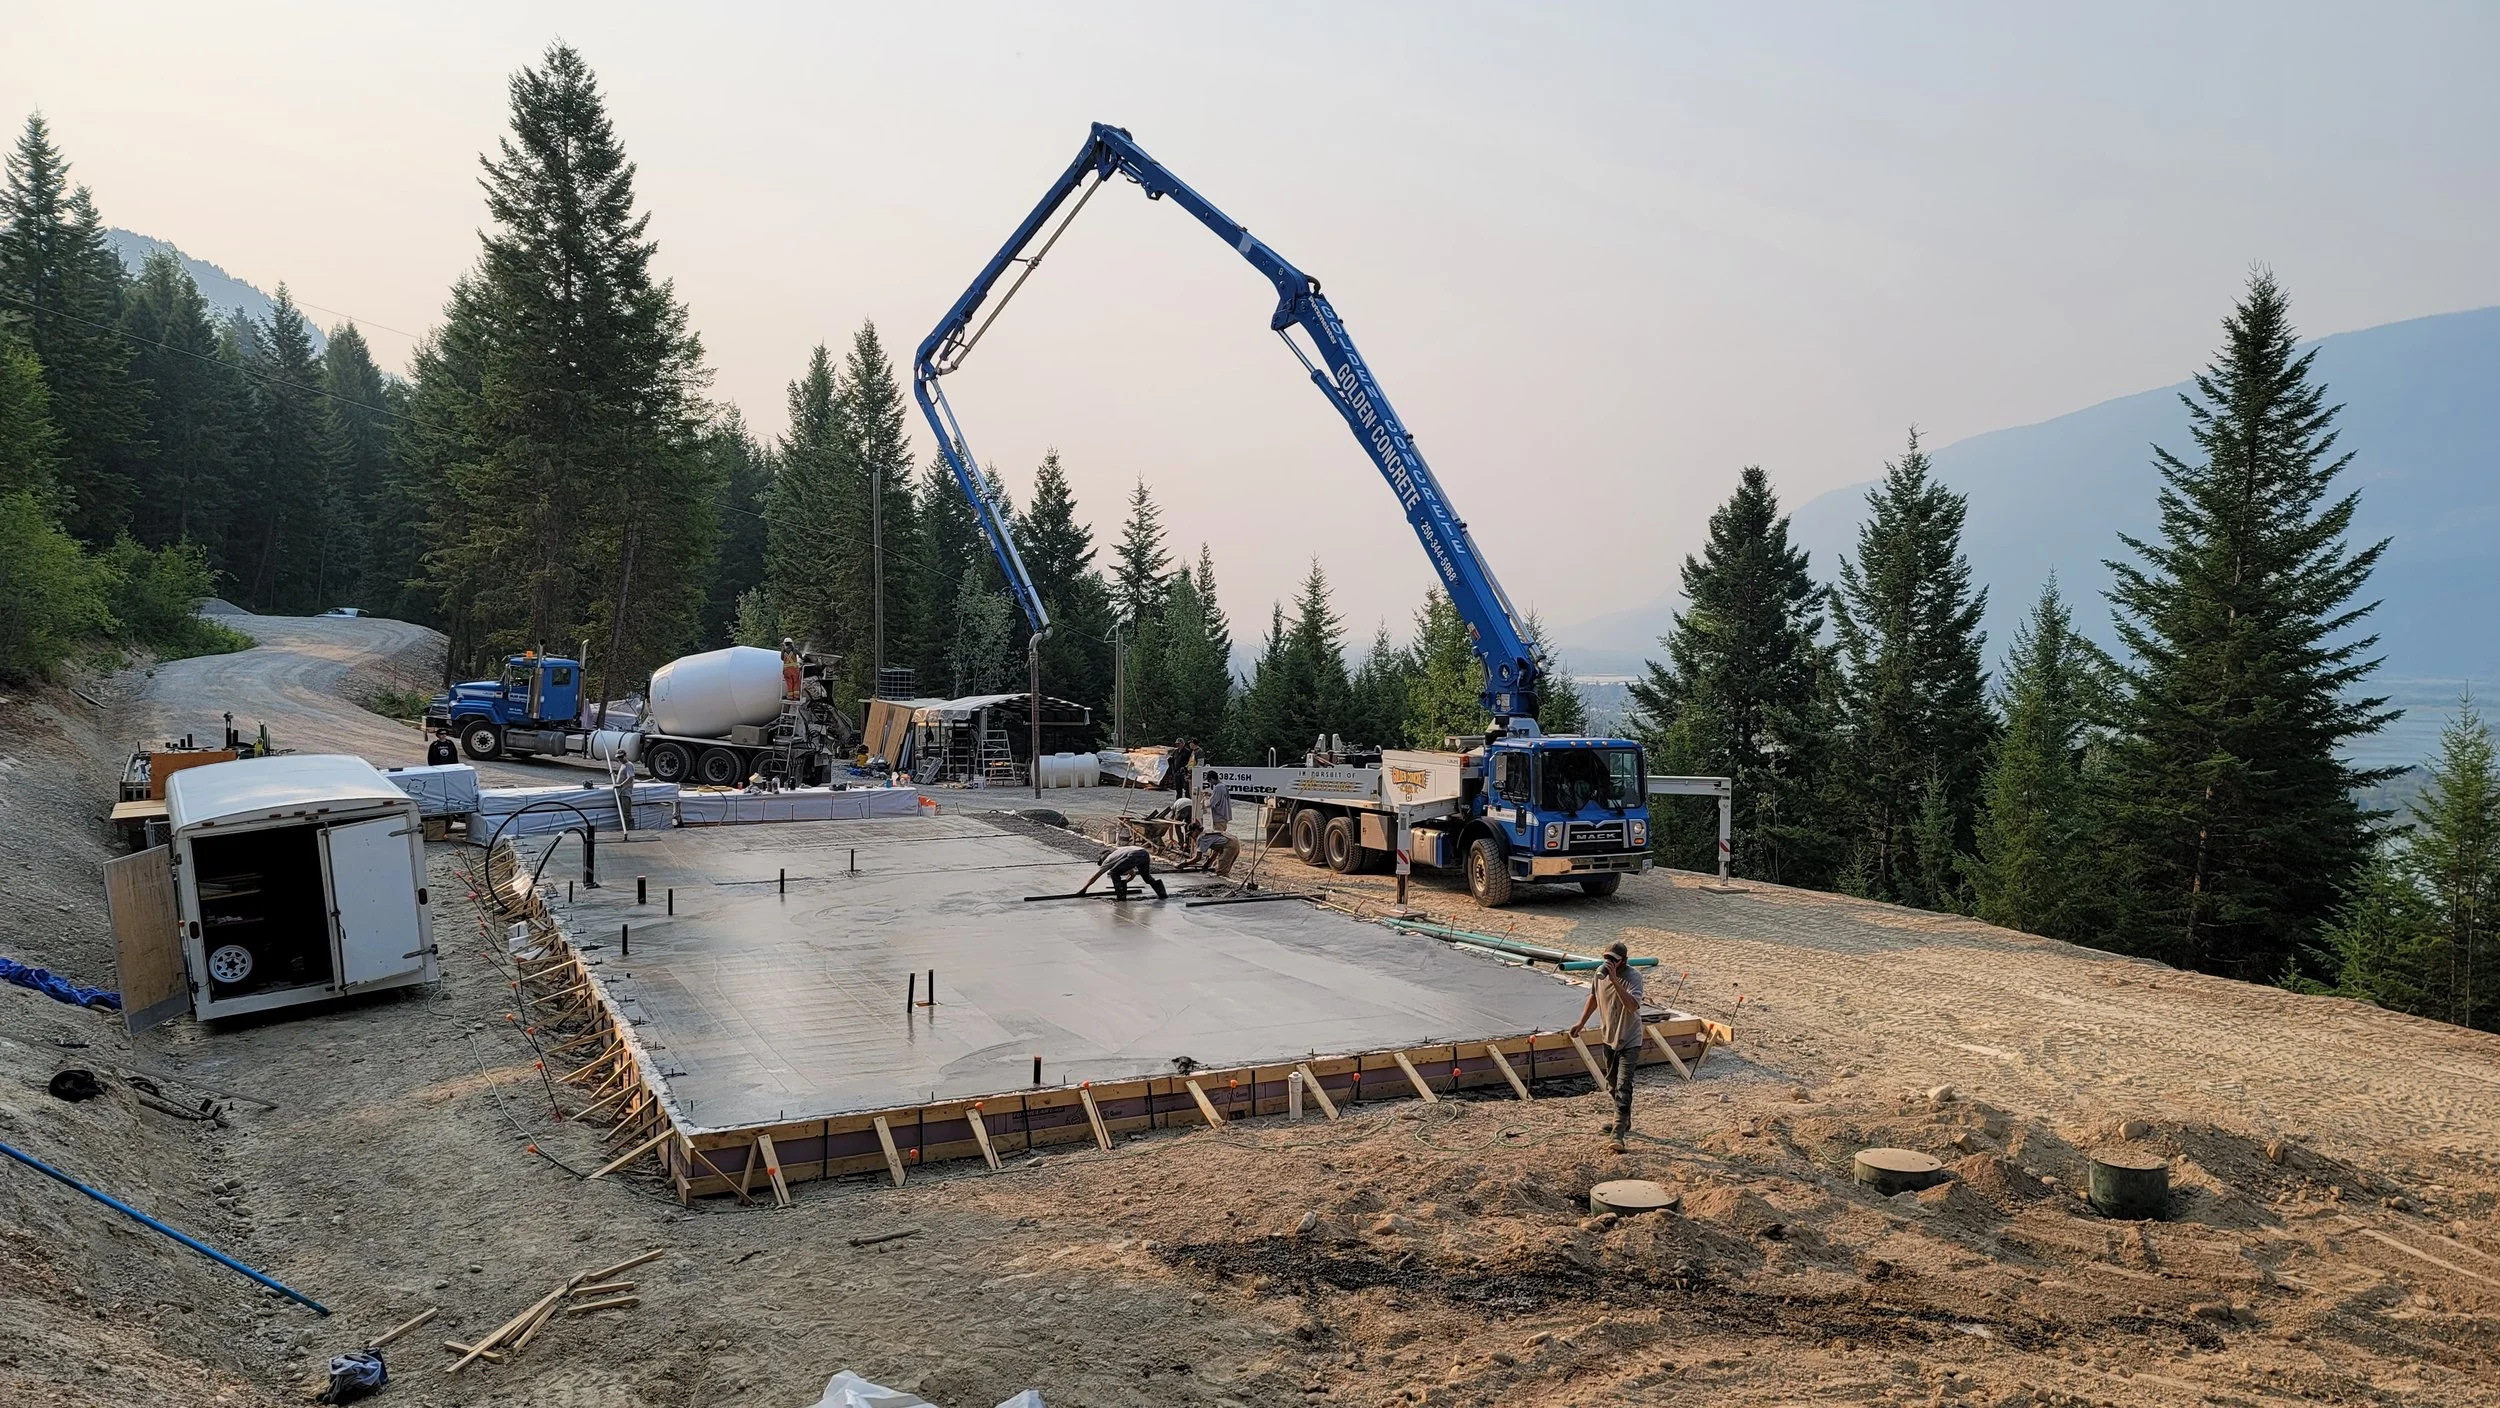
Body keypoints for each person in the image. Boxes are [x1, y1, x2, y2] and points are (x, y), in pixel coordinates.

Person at [1567, 941, 1646, 1150]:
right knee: (1612, 1084)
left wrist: (1615, 980)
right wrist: (1581, 1023)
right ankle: (1624, 1119)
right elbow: (1593, 997)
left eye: (1614, 960)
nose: (1609, 963)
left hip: (1630, 1039)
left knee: (1623, 1085)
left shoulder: (1633, 977)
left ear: (1624, 961)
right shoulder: (1598, 974)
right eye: (1607, 958)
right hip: (1609, 1037)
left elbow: (1632, 1005)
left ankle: (1618, 1133)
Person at [1076, 843, 1167, 901]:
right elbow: (1132, 874)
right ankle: (1162, 893)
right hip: (1144, 853)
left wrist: (1084, 889)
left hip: (1135, 854)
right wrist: (1124, 882)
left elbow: (1095, 876)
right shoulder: (1119, 853)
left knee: (1114, 872)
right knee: (1146, 877)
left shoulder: (1108, 860)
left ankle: (1121, 897)